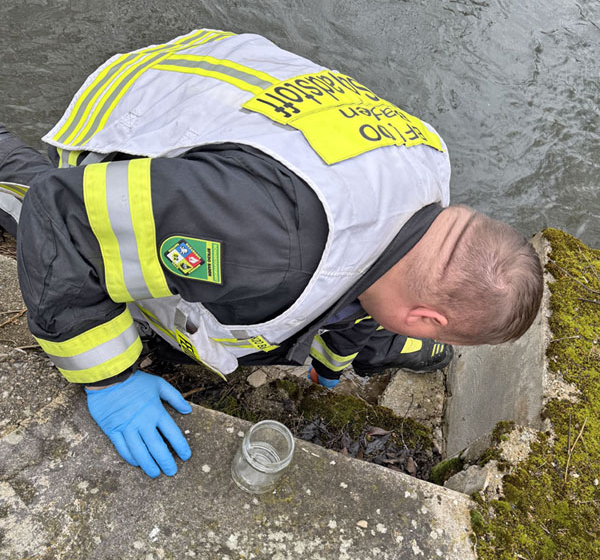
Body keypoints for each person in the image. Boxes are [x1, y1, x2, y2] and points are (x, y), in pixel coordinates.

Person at [0, 28, 543, 479]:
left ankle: (370, 349)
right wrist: (112, 380)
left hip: (230, 84)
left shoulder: (429, 163)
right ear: (426, 320)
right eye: (438, 333)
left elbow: (365, 288)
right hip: (137, 109)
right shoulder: (265, 245)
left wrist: (329, 371)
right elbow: (62, 216)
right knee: (51, 216)